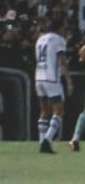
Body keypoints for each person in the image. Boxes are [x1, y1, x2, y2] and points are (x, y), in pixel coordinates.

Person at [34, 14, 69, 154]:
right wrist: (69, 80)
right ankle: (47, 141)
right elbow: (61, 60)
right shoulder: (59, 40)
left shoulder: (40, 39)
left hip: (39, 77)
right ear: (60, 27)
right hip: (51, 78)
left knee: (44, 111)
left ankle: (42, 142)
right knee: (59, 110)